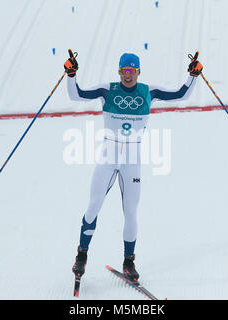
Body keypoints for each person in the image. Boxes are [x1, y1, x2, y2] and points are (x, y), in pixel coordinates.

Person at [64, 49, 203, 282]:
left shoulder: (149, 92)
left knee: (130, 212)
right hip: (108, 158)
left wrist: (193, 75)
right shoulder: (107, 90)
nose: (127, 75)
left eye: (132, 71)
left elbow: (181, 95)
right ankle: (82, 255)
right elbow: (76, 95)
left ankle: (129, 262)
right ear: (119, 72)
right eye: (124, 71)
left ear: (138, 72)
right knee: (94, 205)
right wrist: (71, 74)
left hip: (132, 161)